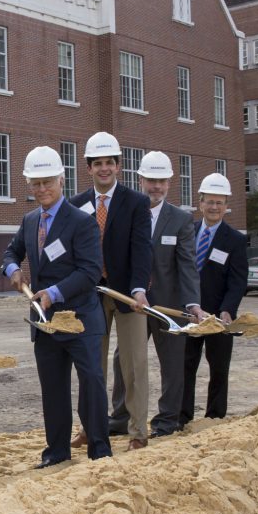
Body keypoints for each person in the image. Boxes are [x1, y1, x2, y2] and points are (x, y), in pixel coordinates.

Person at [1, 147, 112, 466]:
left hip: (80, 320)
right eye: (35, 183)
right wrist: (12, 270)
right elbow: (10, 253)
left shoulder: (82, 221)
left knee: (91, 382)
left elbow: (90, 271)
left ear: (62, 179)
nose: (41, 189)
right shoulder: (30, 219)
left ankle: (100, 449)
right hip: (45, 322)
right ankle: (57, 451)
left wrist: (54, 292)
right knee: (53, 388)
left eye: (47, 182)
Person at [109, 152, 203, 438]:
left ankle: (166, 420)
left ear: (169, 183)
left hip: (168, 304)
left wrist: (192, 303)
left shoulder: (180, 219)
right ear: (140, 180)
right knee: (123, 360)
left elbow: (187, 264)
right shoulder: (125, 211)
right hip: (134, 305)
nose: (156, 187)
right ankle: (120, 417)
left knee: (172, 362)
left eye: (162, 181)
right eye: (151, 181)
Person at [69, 132, 152, 451]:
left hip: (128, 296)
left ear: (119, 166)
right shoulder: (76, 205)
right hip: (90, 296)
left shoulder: (136, 202)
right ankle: (91, 427)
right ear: (89, 168)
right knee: (92, 366)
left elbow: (142, 249)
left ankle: (138, 431)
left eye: (110, 163)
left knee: (134, 365)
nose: (104, 169)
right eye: (98, 163)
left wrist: (139, 289)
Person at [180, 174, 247, 425]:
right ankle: (182, 416)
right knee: (185, 366)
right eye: (210, 201)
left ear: (226, 204)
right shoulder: (188, 231)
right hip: (188, 313)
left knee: (219, 369)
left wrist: (228, 310)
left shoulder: (236, 240)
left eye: (219, 202)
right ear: (200, 202)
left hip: (219, 317)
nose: (214, 207)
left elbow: (237, 281)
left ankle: (215, 416)